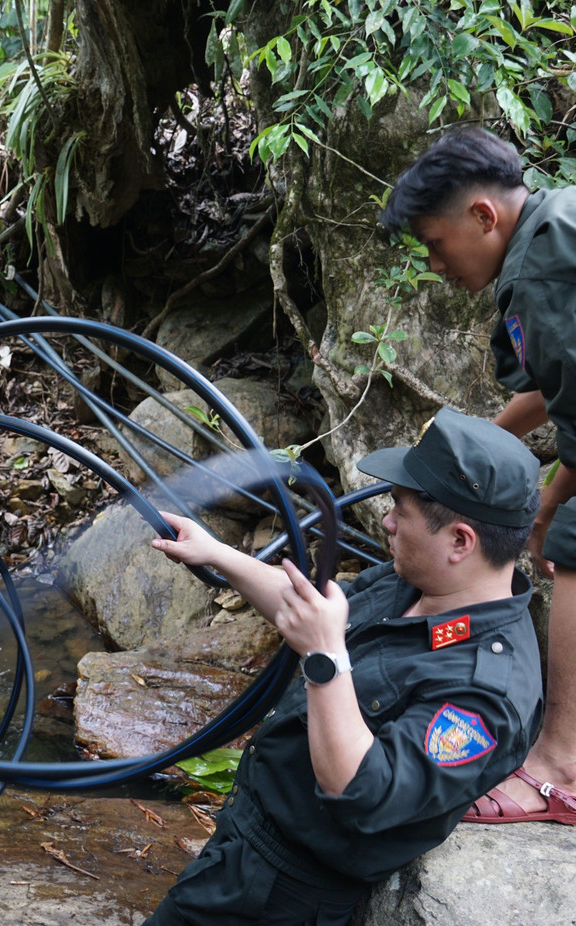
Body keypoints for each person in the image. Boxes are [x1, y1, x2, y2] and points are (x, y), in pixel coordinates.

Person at [144, 408, 543, 925]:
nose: (387, 521)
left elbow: (363, 792)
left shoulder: (486, 693)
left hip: (283, 895)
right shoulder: (420, 584)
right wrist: (216, 554)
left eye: (400, 510)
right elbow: (317, 611)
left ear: (460, 542)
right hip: (247, 842)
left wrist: (326, 658)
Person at [382, 127, 576, 825]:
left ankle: (558, 767)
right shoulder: (555, 225)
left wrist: (547, 510)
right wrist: (473, 450)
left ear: (483, 217)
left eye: (435, 244)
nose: (434, 263)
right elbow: (559, 386)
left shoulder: (546, 265)